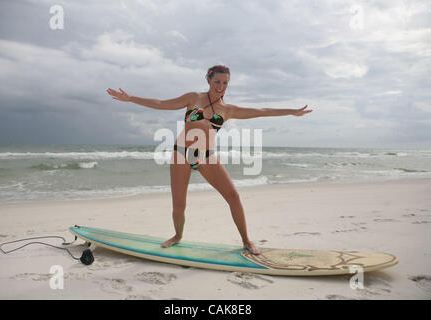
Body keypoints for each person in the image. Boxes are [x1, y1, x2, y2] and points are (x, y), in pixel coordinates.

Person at [106, 65, 312, 255]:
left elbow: (262, 111)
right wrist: (131, 98)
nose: (221, 86)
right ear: (208, 80)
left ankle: (247, 240)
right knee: (179, 206)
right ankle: (177, 236)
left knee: (233, 196)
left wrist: (291, 112)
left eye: (225, 83)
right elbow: (162, 104)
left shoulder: (228, 110)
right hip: (181, 154)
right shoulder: (193, 98)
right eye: (217, 82)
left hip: (206, 156)